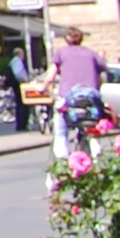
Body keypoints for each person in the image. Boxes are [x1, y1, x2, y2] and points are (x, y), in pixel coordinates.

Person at [50, 27, 109, 155]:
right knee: (93, 128)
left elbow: (51, 75)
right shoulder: (91, 53)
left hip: (68, 98)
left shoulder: (61, 53)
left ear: (66, 39)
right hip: (90, 98)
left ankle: (62, 162)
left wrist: (42, 86)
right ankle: (96, 153)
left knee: (60, 132)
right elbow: (102, 72)